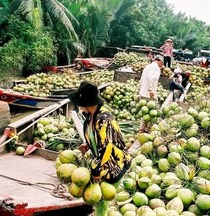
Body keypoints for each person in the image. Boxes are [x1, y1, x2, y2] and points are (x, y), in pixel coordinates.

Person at [68, 81, 132, 216]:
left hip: (115, 164)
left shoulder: (104, 119)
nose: (78, 105)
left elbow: (107, 147)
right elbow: (98, 139)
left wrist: (96, 171)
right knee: (99, 199)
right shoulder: (91, 115)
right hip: (102, 163)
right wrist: (89, 144)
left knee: (102, 200)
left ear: (86, 102)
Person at [139, 55, 164, 132]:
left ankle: (142, 129)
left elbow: (142, 79)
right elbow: (150, 78)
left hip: (143, 92)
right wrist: (150, 90)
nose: (162, 65)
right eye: (162, 63)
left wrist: (141, 89)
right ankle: (150, 129)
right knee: (153, 112)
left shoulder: (147, 66)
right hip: (149, 94)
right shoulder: (156, 68)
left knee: (144, 112)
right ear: (159, 61)